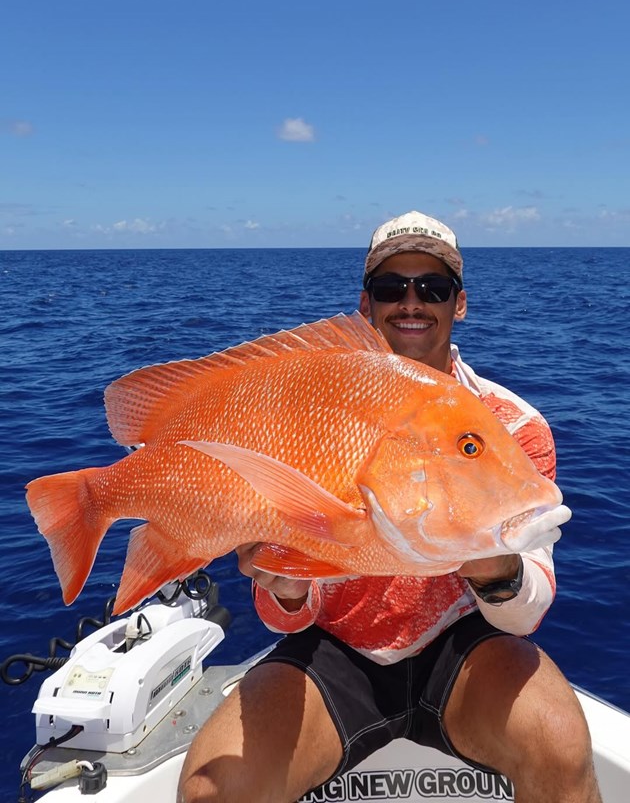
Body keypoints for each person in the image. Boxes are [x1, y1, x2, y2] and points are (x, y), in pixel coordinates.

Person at [178, 211, 602, 803]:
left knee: (561, 746)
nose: (411, 303)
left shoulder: (514, 427)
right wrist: (288, 588)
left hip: (463, 647)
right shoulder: (313, 407)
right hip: (335, 652)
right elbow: (283, 618)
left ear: (459, 304)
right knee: (213, 789)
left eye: (432, 288)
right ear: (365, 304)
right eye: (390, 288)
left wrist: (499, 571)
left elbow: (523, 616)